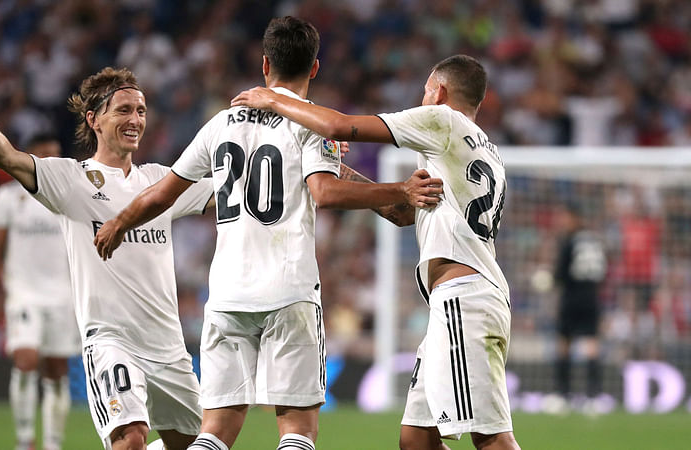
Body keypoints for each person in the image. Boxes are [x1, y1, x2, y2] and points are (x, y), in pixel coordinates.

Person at [93, 16, 442, 450]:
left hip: (227, 296)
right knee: (297, 430)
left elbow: (162, 194)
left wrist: (118, 223)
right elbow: (324, 192)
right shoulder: (315, 122)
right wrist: (400, 190)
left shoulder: (222, 123)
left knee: (215, 433)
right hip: (288, 291)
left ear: (264, 64)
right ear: (314, 68)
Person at [231, 54, 521, 450]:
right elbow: (403, 213)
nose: (421, 98)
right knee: (416, 439)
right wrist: (336, 169)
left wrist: (273, 100)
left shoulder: (442, 120)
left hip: (464, 300)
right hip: (464, 299)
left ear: (439, 91)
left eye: (424, 90)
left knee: (491, 438)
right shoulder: (484, 151)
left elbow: (338, 125)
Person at [0, 67, 213, 450]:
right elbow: (11, 159)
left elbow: (229, 192)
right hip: (111, 340)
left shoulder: (160, 182)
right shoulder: (72, 180)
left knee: (194, 443)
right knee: (131, 439)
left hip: (168, 345)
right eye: (123, 110)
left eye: (140, 111)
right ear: (94, 119)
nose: (135, 120)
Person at [0, 133, 80, 450]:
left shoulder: (69, 198)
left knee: (56, 370)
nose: (52, 162)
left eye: (56, 155)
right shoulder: (9, 197)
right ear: (31, 156)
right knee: (25, 360)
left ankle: (53, 444)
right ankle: (24, 440)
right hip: (23, 293)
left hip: (63, 295)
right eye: (45, 155)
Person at [552, 202, 607, 412]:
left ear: (574, 217)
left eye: (564, 217)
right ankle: (593, 397)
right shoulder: (594, 240)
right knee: (591, 345)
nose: (562, 221)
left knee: (564, 343)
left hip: (572, 297)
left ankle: (562, 396)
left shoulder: (569, 241)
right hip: (592, 297)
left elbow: (560, 275)